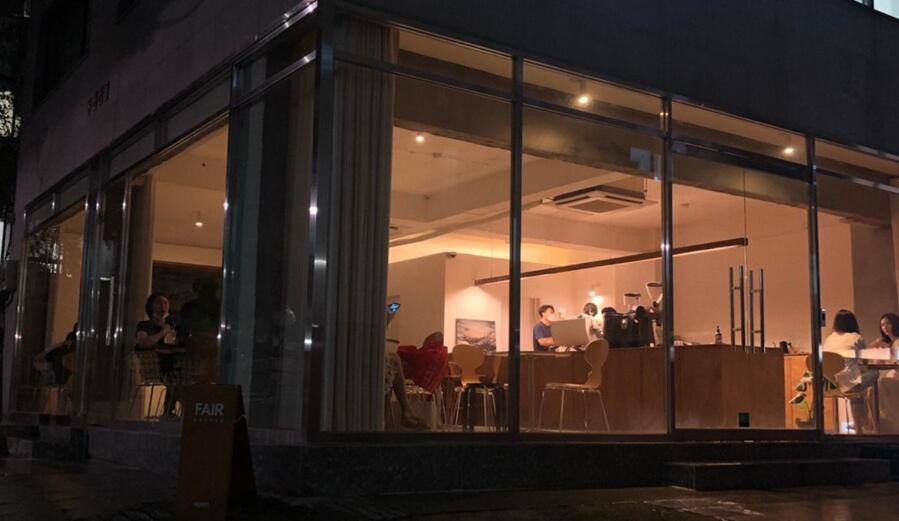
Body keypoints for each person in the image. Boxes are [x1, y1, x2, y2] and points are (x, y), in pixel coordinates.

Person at [822, 310, 877, 433]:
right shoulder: (856, 337)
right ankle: (864, 424)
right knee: (874, 374)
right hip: (849, 385)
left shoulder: (829, 339)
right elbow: (865, 361)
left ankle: (860, 425)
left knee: (857, 391)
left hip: (830, 384)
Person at [135, 292, 180, 418]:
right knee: (175, 379)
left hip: (173, 363)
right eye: (158, 303)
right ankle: (170, 412)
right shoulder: (145, 325)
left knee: (180, 377)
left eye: (165, 303)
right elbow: (143, 342)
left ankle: (171, 411)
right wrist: (163, 332)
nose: (163, 306)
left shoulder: (173, 326)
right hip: (155, 365)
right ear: (151, 306)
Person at [179, 277, 220, 384]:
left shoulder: (189, 307)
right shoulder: (221, 306)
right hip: (209, 347)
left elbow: (184, 328)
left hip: (197, 347)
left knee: (195, 378)